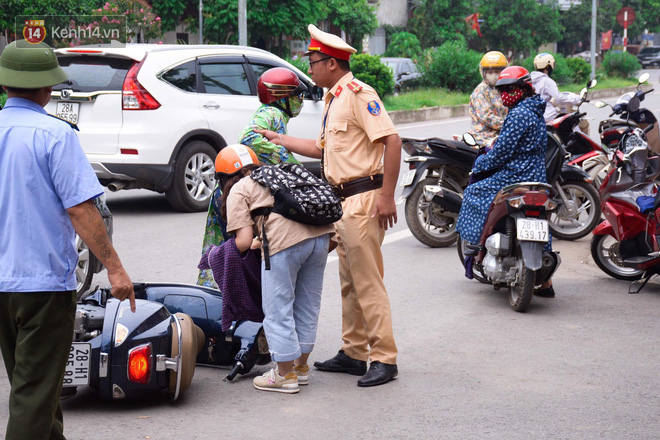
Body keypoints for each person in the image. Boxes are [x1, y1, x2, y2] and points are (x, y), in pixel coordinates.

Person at [0, 41, 135, 439]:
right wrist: (115, 269)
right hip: (42, 288)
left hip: (3, 287)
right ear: (46, 89)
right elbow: (82, 211)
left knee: (37, 390)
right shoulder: (56, 135)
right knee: (33, 394)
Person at [256, 24, 402, 387]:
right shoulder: (334, 99)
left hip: (364, 199)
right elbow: (323, 149)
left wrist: (386, 196)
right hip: (342, 202)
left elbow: (393, 141)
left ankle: (384, 357)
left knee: (368, 283)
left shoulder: (357, 94)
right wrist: (280, 138)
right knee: (349, 283)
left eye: (314, 61)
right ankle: (354, 353)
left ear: (332, 64)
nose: (310, 67)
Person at [217, 144, 334, 394]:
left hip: (286, 243)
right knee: (307, 304)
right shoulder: (275, 173)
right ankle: (301, 368)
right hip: (321, 237)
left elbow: (244, 242)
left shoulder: (239, 188)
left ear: (224, 177)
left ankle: (284, 375)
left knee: (278, 309)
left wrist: (217, 253)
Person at [197, 67, 307, 287]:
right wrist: (286, 163)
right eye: (297, 96)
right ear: (282, 97)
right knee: (236, 251)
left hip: (235, 187)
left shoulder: (276, 115)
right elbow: (248, 138)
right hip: (237, 189)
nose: (301, 101)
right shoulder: (272, 113)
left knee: (230, 248)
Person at [456, 66, 555, 297]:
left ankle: (478, 246)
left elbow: (502, 152)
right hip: (537, 175)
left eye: (510, 89)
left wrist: (480, 164)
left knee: (475, 192)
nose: (505, 94)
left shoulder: (519, 114)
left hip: (517, 174)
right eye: (502, 90)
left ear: (523, 89)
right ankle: (546, 282)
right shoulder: (534, 109)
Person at [469, 51, 509, 146]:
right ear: (483, 73)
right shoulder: (481, 91)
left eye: (497, 71)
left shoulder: (503, 90)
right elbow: (487, 117)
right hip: (484, 137)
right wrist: (509, 125)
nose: (494, 75)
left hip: (501, 134)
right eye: (490, 72)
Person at [530, 53, 582, 123]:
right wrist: (577, 99)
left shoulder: (530, 79)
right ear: (548, 66)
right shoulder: (547, 81)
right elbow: (559, 98)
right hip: (548, 115)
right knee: (571, 125)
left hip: (533, 115)